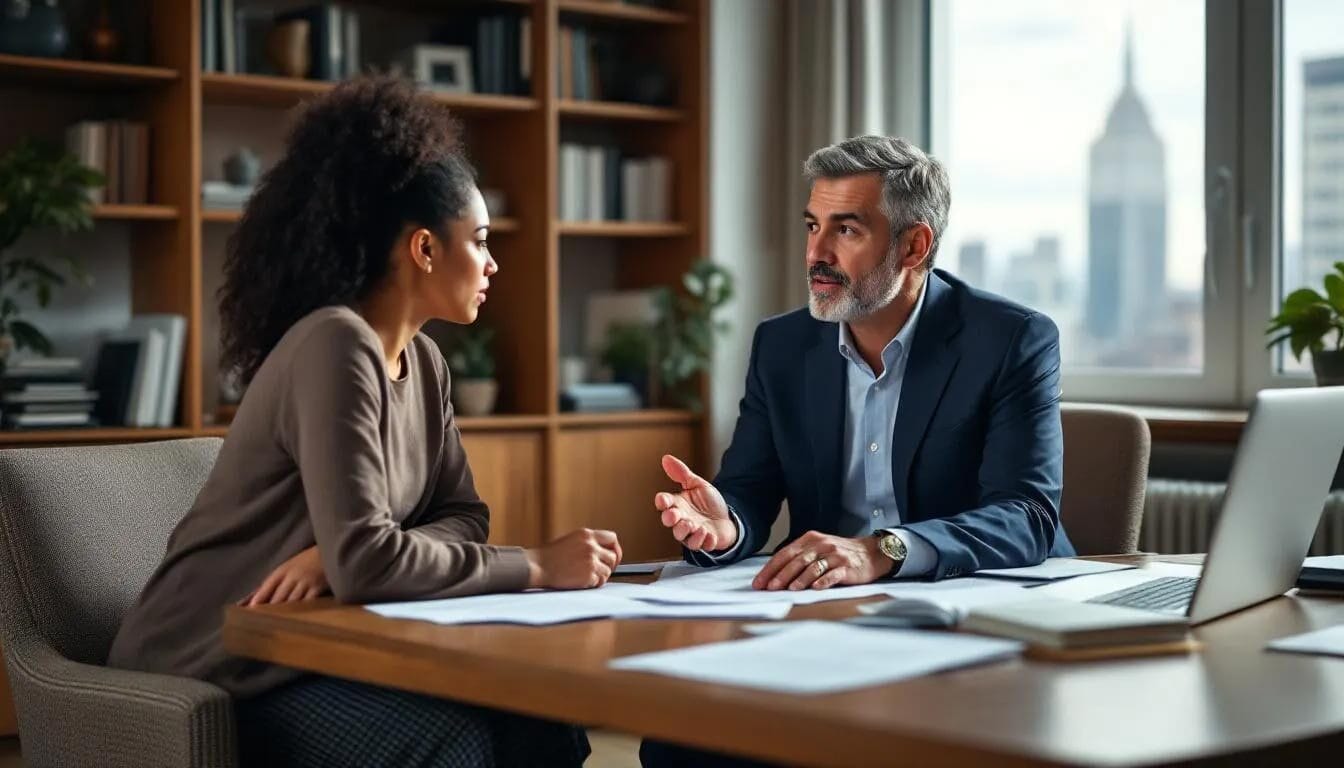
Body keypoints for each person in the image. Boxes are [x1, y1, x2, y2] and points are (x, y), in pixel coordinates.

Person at [107, 77, 618, 768]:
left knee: (544, 726)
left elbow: (464, 514)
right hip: (212, 669)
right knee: (454, 745)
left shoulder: (426, 362)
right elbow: (371, 565)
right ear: (425, 249)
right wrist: (535, 565)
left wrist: (338, 553)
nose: (494, 262)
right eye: (481, 240)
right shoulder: (334, 345)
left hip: (308, 651)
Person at [642, 135, 1076, 766]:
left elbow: (1027, 514)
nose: (816, 253)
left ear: (914, 245)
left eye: (846, 230)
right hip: (833, 616)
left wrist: (884, 551)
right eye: (813, 226)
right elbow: (751, 487)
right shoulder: (782, 347)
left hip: (974, 615)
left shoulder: (1010, 340)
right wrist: (726, 526)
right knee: (683, 738)